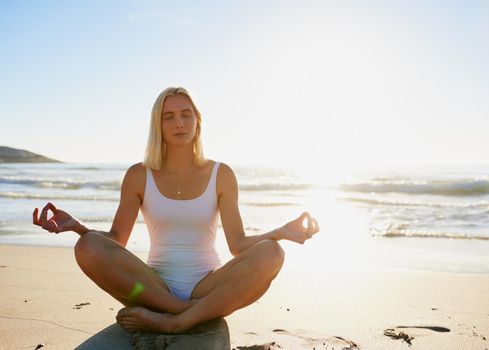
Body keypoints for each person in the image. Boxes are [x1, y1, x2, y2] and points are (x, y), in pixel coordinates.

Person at [32, 86, 320, 334]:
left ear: (198, 122)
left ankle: (174, 323)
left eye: (186, 114)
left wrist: (282, 232)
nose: (179, 123)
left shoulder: (222, 174)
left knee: (272, 252)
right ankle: (189, 312)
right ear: (158, 125)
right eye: (168, 117)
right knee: (87, 246)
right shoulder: (138, 175)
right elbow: (117, 239)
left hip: (208, 285)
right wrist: (78, 228)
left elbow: (238, 245)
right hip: (153, 288)